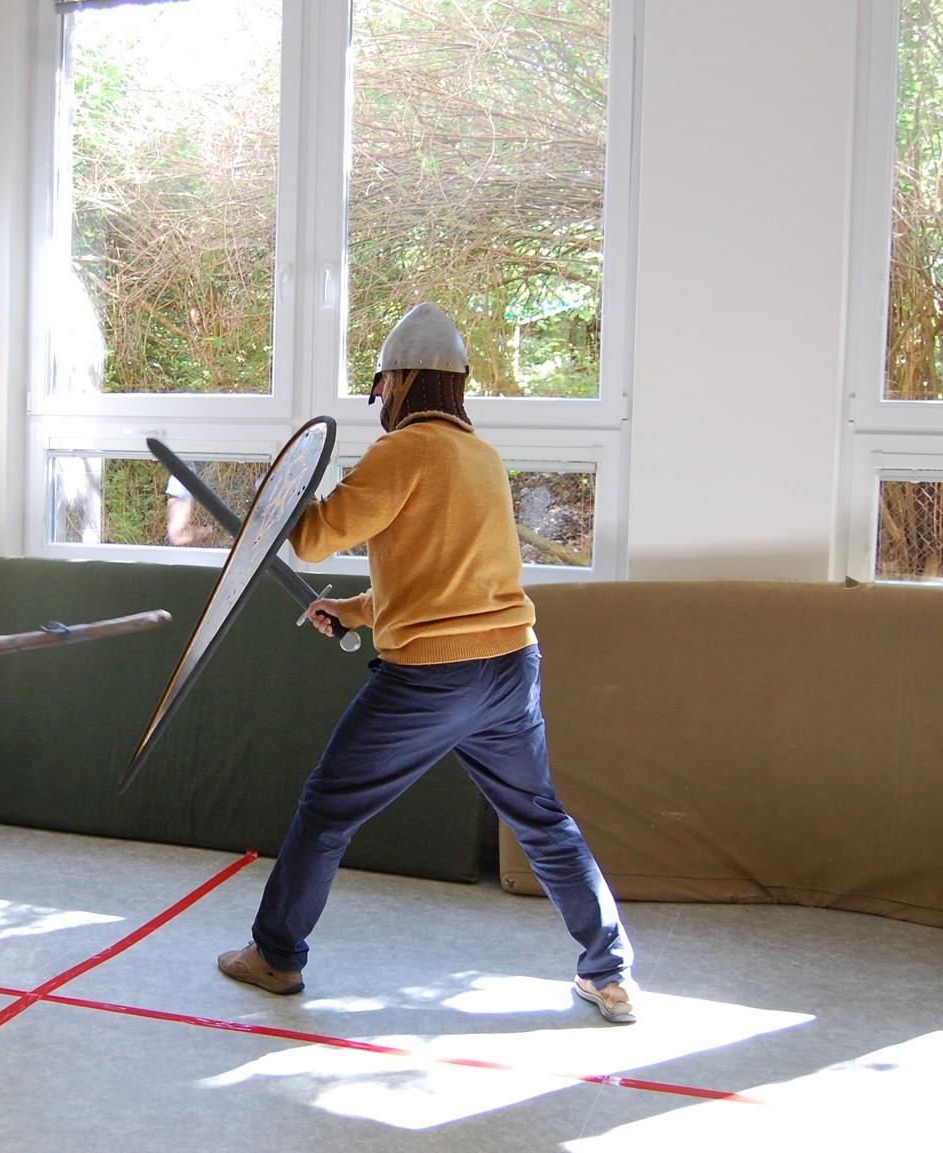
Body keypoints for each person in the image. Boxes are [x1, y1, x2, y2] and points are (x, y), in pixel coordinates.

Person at [215, 303, 638, 1023]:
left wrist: (284, 492)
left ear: (402, 380)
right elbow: (447, 582)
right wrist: (356, 610)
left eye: (382, 385)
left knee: (327, 810)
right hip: (510, 669)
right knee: (543, 821)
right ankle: (611, 973)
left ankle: (276, 955)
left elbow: (311, 539)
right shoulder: (482, 457)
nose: (380, 398)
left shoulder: (403, 452)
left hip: (432, 680)